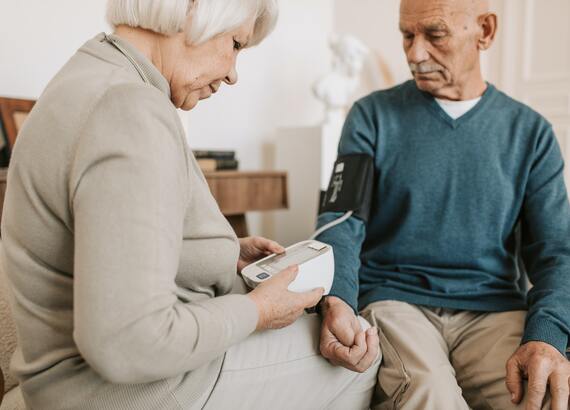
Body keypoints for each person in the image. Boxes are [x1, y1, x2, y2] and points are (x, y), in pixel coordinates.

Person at [0, 1, 380, 409]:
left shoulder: (90, 73)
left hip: (63, 380)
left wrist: (222, 251)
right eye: (235, 44)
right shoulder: (130, 109)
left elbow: (108, 238)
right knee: (360, 356)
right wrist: (257, 310)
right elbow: (126, 340)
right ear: (194, 12)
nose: (234, 74)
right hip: (125, 393)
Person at [315, 0, 570, 409]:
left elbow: (557, 253)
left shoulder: (531, 133)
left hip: (493, 309)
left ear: (485, 31)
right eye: (406, 35)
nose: (415, 53)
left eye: (434, 35)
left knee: (540, 397)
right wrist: (339, 299)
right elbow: (341, 220)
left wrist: (547, 336)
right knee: (429, 393)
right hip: (397, 299)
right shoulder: (371, 116)